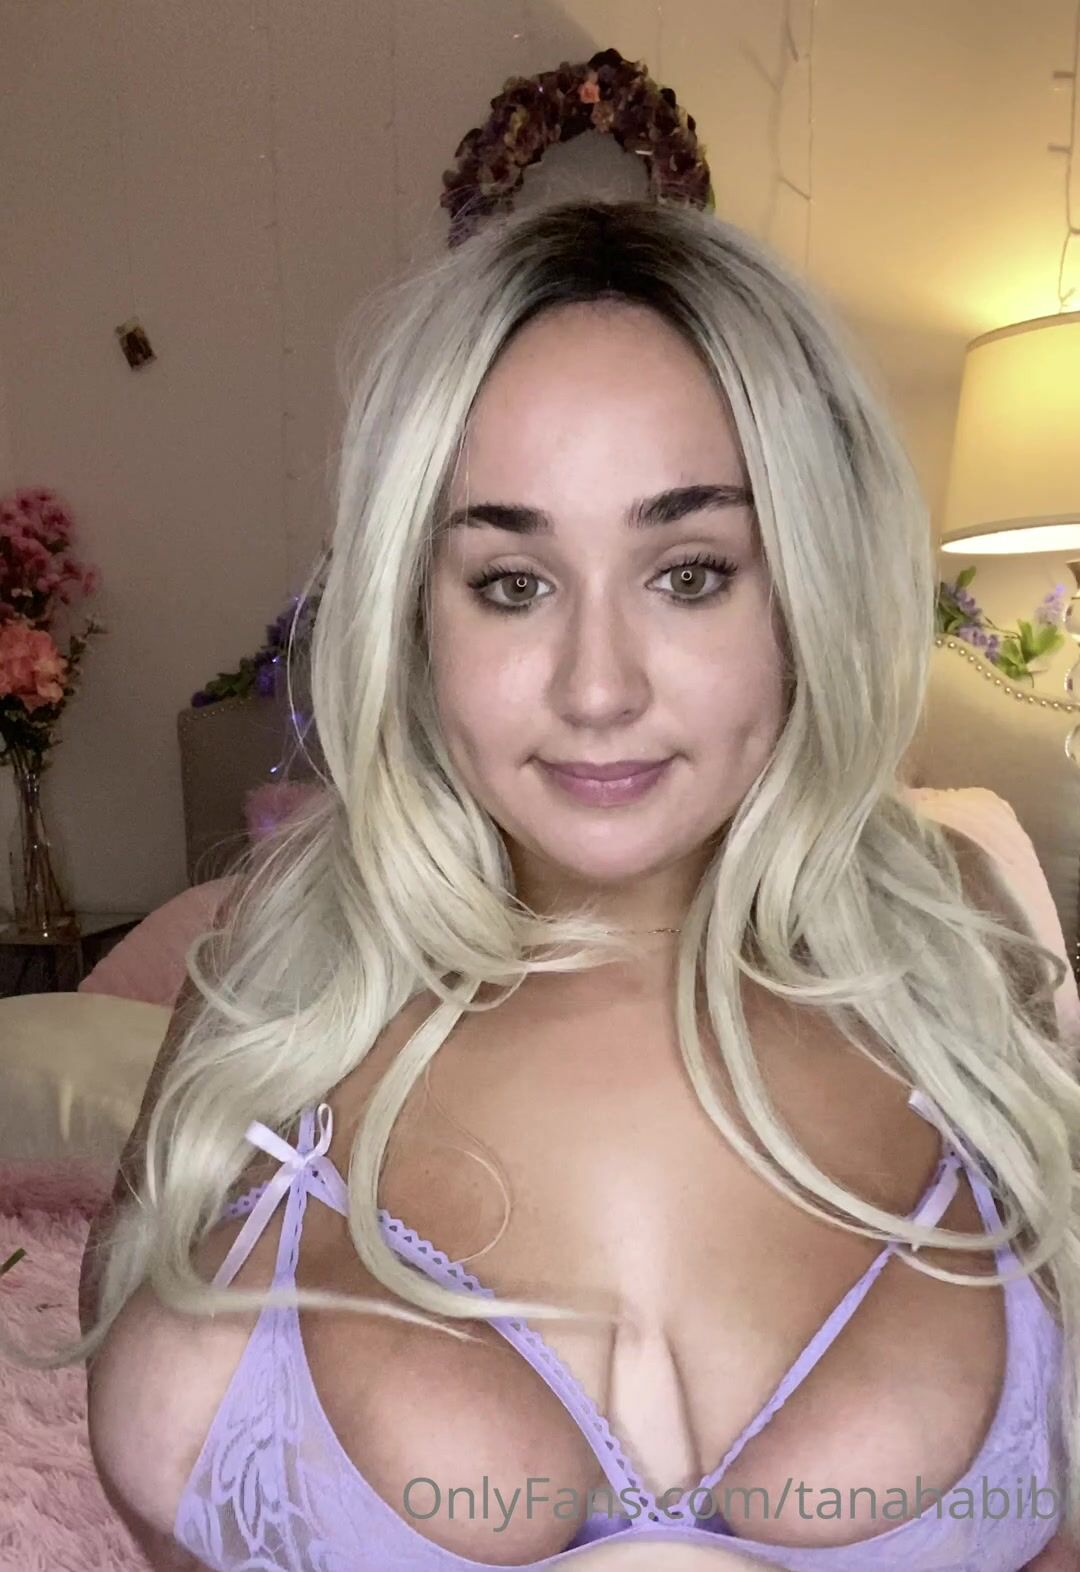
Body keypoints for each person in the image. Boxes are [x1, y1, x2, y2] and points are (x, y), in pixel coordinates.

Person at [40, 197, 1079, 1570]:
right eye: (513, 583)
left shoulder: (952, 945)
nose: (598, 689)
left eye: (690, 573)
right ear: (417, 613)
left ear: (807, 588)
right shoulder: (274, 982)